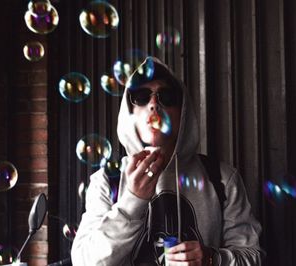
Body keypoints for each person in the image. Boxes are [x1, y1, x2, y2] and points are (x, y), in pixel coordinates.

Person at [71, 57, 263, 265]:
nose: (154, 104)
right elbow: (84, 261)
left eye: (167, 96)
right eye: (141, 96)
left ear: (183, 112)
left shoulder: (222, 179)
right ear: (130, 112)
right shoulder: (107, 180)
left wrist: (211, 258)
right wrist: (132, 201)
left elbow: (253, 256)